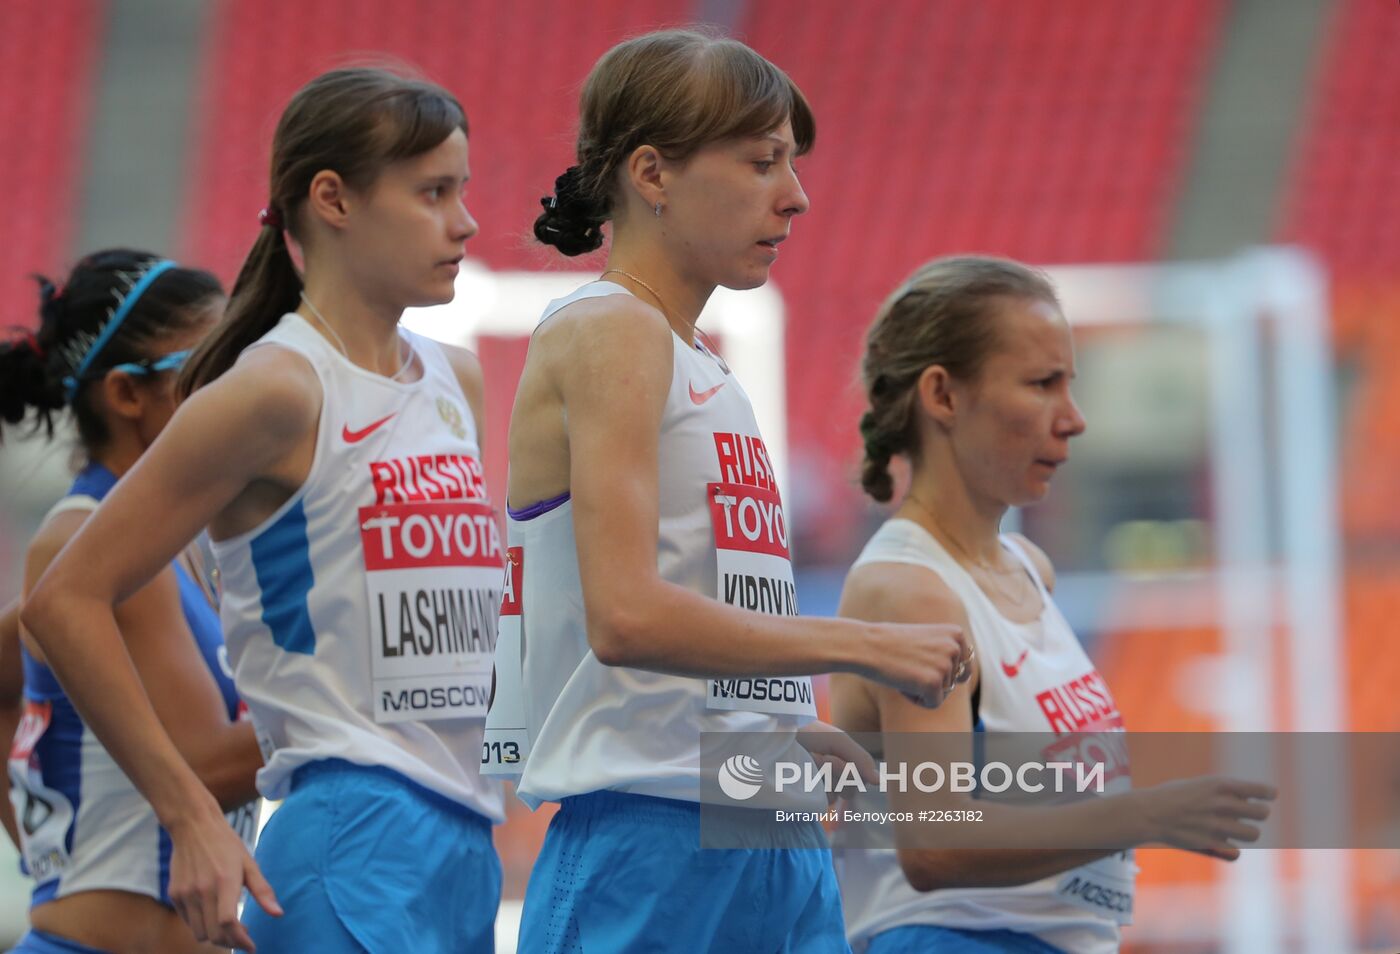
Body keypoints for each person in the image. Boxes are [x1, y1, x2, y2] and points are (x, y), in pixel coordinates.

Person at [482, 29, 971, 954]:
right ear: (653, 173)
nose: (796, 195)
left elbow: (703, 609)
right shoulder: (611, 331)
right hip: (653, 839)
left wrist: (786, 728)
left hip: (753, 816)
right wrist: (864, 644)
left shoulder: (703, 365)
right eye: (761, 162)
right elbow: (626, 617)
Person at [23, 68, 504, 953]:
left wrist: (761, 767)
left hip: (466, 839)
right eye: (434, 192)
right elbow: (62, 598)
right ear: (333, 200)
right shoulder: (276, 389)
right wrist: (192, 813)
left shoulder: (455, 379)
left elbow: (481, 653)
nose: (466, 222)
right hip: (347, 838)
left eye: (462, 190)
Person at [830, 256, 1276, 954]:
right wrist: (1143, 814)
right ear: (942, 396)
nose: (1073, 419)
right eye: (1042, 385)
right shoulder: (911, 590)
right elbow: (935, 844)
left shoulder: (1027, 571)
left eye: (1070, 384)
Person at [0, 250, 261, 954]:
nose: (239, 383)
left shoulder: (169, 544)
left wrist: (49, 845)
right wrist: (377, 702)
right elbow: (205, 764)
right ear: (125, 395)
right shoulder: (94, 546)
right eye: (211, 361)